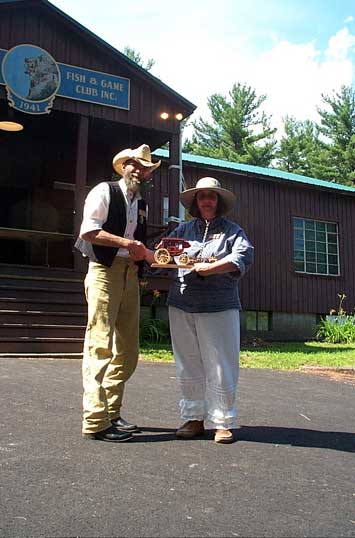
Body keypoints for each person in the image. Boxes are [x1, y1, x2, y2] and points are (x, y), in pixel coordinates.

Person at [75, 144, 161, 442]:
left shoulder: (142, 203)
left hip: (130, 275)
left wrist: (149, 256)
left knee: (129, 351)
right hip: (103, 271)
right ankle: (95, 420)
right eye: (134, 164)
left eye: (145, 167)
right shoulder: (104, 191)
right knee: (100, 344)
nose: (139, 170)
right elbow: (89, 232)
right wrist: (128, 245)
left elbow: (137, 246)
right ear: (123, 165)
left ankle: (112, 412)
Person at [165, 176, 254, 444]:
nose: (206, 200)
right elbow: (163, 255)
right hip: (181, 303)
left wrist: (211, 268)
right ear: (195, 202)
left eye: (211, 196)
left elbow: (243, 257)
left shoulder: (233, 231)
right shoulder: (181, 230)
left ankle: (223, 422)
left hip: (219, 304)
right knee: (187, 361)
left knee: (220, 363)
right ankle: (193, 418)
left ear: (218, 202)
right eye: (202, 196)